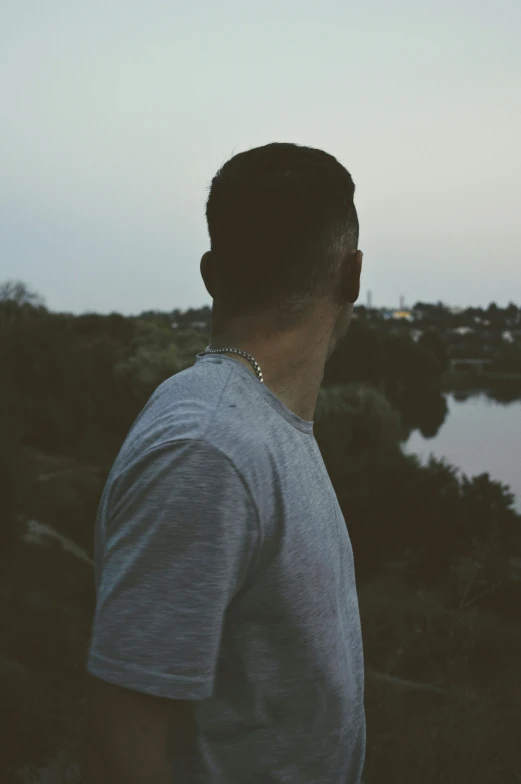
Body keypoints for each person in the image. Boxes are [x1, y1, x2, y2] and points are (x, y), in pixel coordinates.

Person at [86, 142, 366, 783]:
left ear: (211, 273)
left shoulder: (258, 426)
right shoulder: (207, 449)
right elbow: (117, 749)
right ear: (351, 274)